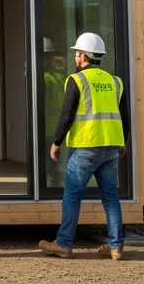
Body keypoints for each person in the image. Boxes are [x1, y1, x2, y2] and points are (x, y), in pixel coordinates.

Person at [39, 32, 131, 261]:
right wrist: (123, 142)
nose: (75, 57)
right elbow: (125, 116)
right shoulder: (115, 81)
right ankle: (116, 246)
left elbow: (67, 114)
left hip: (85, 147)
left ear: (82, 56)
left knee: (72, 197)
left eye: (76, 53)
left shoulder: (77, 80)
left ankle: (63, 244)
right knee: (110, 198)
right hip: (111, 147)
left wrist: (56, 142)